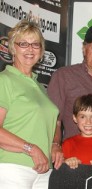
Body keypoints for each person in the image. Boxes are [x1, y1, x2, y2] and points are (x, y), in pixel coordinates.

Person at [0, 19, 61, 188]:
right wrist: (31, 149)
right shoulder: (4, 80)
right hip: (12, 167)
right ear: (13, 48)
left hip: (43, 170)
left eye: (35, 44)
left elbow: (54, 122)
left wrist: (55, 145)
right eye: (23, 44)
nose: (30, 49)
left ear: (41, 51)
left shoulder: (40, 87)